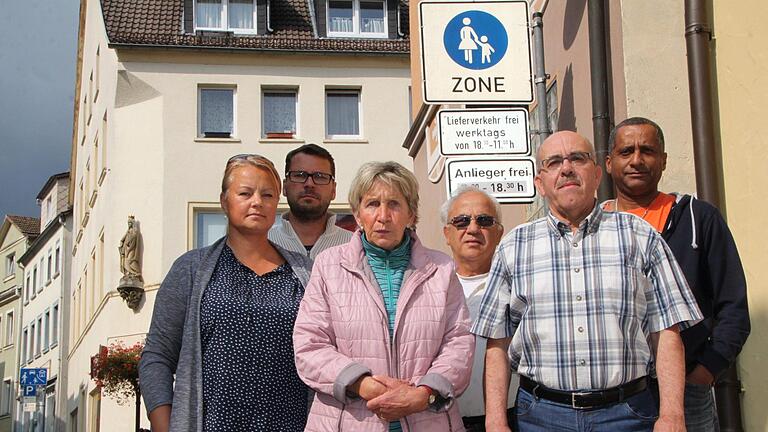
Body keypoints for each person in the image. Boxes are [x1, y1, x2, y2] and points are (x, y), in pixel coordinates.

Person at [472, 131, 702, 432]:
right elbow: (497, 343)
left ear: (596, 175)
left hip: (627, 414)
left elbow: (667, 331)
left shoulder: (640, 236)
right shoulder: (514, 247)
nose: (566, 168)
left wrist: (673, 415)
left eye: (578, 158)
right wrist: (495, 421)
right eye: (554, 162)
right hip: (542, 417)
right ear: (540, 183)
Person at [293, 161, 475, 431]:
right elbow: (310, 345)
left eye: (394, 204)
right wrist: (363, 384)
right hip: (348, 422)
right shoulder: (328, 266)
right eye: (372, 204)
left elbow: (458, 342)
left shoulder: (441, 269)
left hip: (427, 418)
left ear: (411, 214)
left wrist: (423, 393)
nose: (383, 216)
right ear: (357, 214)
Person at [139, 154, 313, 432]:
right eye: (245, 193)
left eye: (267, 194)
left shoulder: (306, 272)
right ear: (224, 201)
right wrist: (164, 425)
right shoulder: (191, 269)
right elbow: (157, 357)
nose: (257, 202)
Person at [604, 117, 750, 431]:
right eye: (626, 151)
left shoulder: (698, 218)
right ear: (608, 162)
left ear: (664, 160)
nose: (637, 160)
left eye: (648, 151)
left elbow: (733, 304)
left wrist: (708, 368)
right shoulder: (595, 225)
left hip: (687, 389)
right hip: (613, 397)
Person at [441, 186, 517, 431]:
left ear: (499, 232)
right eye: (462, 221)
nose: (472, 229)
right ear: (447, 233)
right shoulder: (429, 286)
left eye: (484, 220)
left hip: (509, 419)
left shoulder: (519, 286)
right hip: (442, 418)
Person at [269, 144, 352, 260]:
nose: (309, 184)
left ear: (333, 190)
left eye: (320, 176)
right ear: (284, 187)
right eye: (299, 175)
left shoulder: (353, 247)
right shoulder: (264, 244)